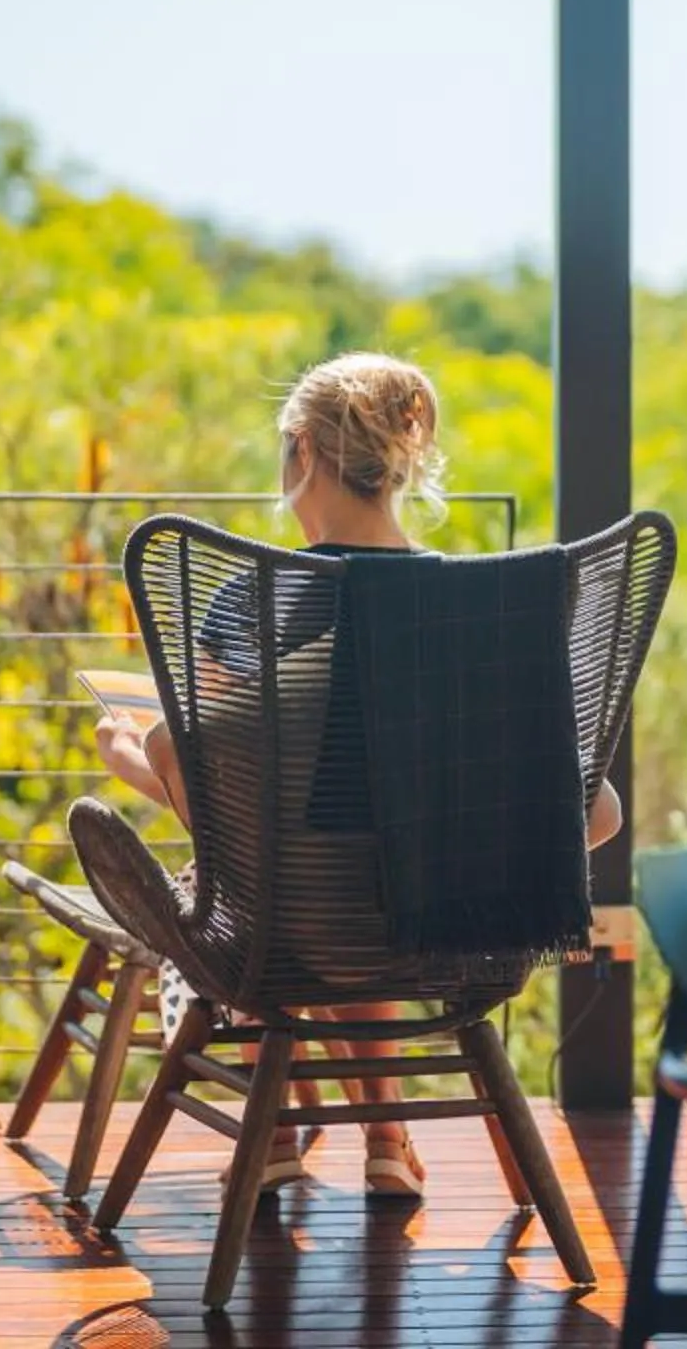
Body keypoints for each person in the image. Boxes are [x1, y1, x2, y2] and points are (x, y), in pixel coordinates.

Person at [94, 352, 624, 1204]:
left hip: (286, 930)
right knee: (363, 864)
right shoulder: (480, 617)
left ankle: (274, 1132)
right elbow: (598, 814)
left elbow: (223, 815)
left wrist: (135, 759)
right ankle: (385, 1137)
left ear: (302, 450)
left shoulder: (249, 602)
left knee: (255, 881)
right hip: (449, 934)